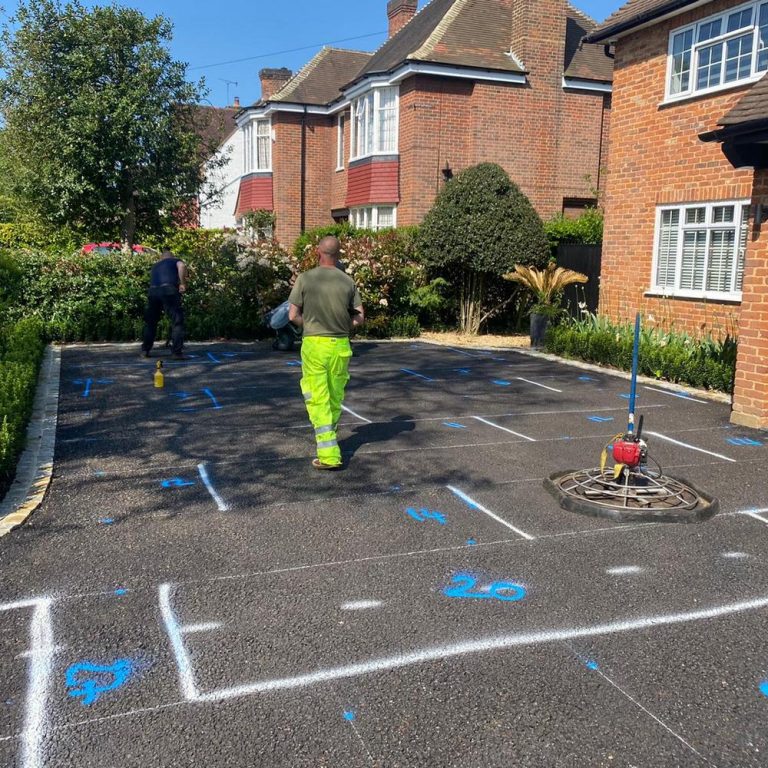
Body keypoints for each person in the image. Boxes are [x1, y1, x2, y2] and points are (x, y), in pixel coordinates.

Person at [288, 236, 364, 470]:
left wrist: (309, 325)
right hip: (340, 345)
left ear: (318, 252)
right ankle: (329, 441)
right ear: (338, 254)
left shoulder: (305, 278)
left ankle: (329, 454)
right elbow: (359, 317)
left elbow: (292, 315)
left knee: (317, 397)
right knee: (334, 396)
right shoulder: (348, 282)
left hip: (314, 345)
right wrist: (343, 325)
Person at [141, 248, 188, 359]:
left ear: (161, 258)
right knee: (177, 321)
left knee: (151, 322)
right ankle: (176, 352)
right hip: (169, 290)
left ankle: (145, 350)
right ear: (171, 256)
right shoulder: (175, 261)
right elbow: (182, 266)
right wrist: (183, 283)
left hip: (153, 292)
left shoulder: (155, 266)